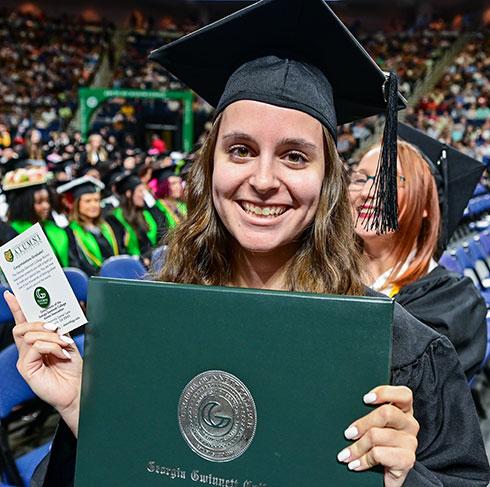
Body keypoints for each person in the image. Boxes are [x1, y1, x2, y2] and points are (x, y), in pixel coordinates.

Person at [7, 1, 489, 486]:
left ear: (328, 181)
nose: (263, 180)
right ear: (209, 165)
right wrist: (80, 410)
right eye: (240, 150)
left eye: (295, 156)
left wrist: (404, 479)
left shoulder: (398, 347)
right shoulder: (150, 320)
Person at [349, 124, 487, 379]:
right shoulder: (324, 277)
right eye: (359, 178)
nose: (368, 192)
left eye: (388, 180)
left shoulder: (453, 303)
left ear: (425, 203)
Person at [57, 176, 125, 276]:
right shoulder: (70, 232)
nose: (94, 205)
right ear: (76, 204)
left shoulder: (108, 226)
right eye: (88, 201)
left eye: (96, 200)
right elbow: (77, 264)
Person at [3, 167, 69, 267]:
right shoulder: (12, 233)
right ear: (25, 204)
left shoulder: (53, 228)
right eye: (39, 202)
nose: (46, 206)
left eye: (47, 201)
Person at [105, 173, 169, 264]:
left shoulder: (146, 213)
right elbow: (120, 249)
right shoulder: (115, 218)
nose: (143, 195)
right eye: (140, 191)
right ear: (128, 193)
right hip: (133, 266)